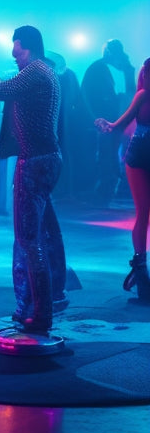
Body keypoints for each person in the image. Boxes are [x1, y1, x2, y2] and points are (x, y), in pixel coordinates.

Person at [0, 26, 66, 334]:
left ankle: (40, 314)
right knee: (46, 233)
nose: (15, 58)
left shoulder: (37, 71)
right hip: (47, 159)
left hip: (35, 161)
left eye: (18, 52)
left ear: (32, 48)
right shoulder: (45, 71)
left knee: (29, 241)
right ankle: (48, 298)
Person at [95, 57, 150, 303]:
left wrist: (107, 125)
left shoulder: (142, 94)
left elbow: (118, 126)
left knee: (143, 213)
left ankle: (141, 272)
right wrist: (108, 125)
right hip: (139, 155)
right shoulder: (142, 95)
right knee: (143, 213)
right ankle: (141, 273)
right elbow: (118, 125)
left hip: (139, 154)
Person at [81, 39, 136, 205]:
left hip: (117, 121)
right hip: (106, 121)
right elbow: (86, 96)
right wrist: (94, 119)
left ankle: (110, 191)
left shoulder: (115, 69)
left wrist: (129, 71)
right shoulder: (97, 68)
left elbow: (130, 94)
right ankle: (105, 191)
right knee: (107, 156)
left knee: (113, 156)